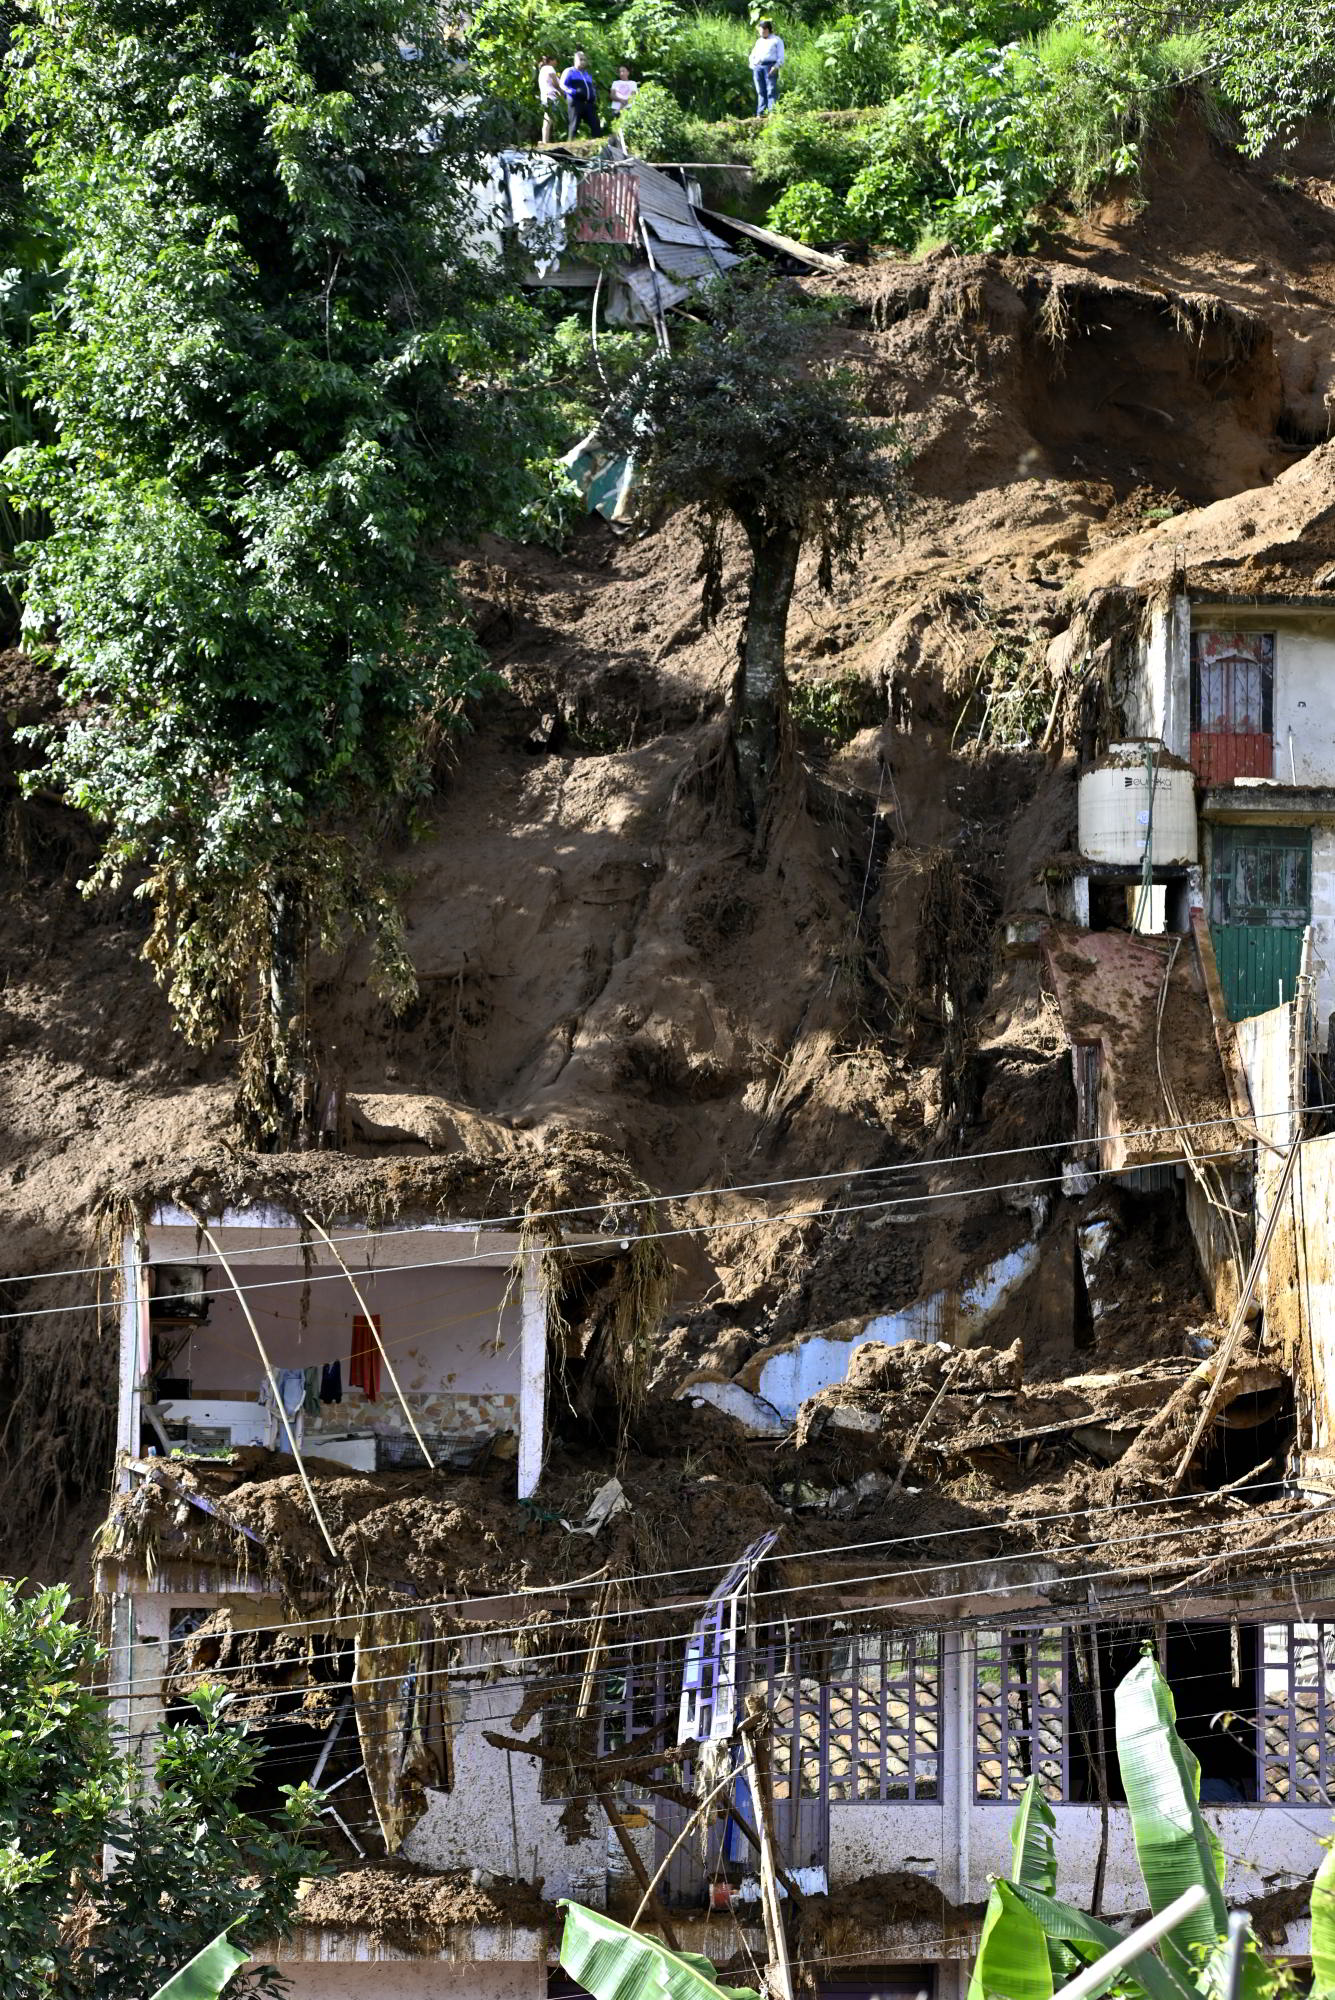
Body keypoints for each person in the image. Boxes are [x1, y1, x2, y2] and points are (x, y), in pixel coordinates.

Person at [748, 17, 784, 116]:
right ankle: (761, 113)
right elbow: (752, 55)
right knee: (760, 90)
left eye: (764, 29)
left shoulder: (776, 40)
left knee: (771, 90)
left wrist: (776, 66)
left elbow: (781, 56)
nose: (762, 31)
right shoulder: (759, 41)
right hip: (758, 67)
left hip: (770, 66)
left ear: (769, 29)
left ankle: (772, 112)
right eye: (760, 29)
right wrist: (753, 65)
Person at [562, 51, 602, 138]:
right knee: (574, 125)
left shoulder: (587, 74)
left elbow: (591, 87)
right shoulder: (569, 71)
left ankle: (599, 145)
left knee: (595, 124)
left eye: (584, 59)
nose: (583, 61)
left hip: (588, 103)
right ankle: (570, 144)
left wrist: (594, 95)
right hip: (575, 102)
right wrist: (574, 92)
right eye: (580, 59)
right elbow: (562, 85)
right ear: (575, 61)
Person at [537, 54, 563, 143]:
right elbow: (555, 83)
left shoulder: (543, 70)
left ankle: (546, 139)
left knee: (548, 118)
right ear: (551, 60)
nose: (556, 62)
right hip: (550, 96)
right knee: (548, 118)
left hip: (545, 96)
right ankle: (545, 140)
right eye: (555, 60)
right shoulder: (549, 68)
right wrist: (561, 91)